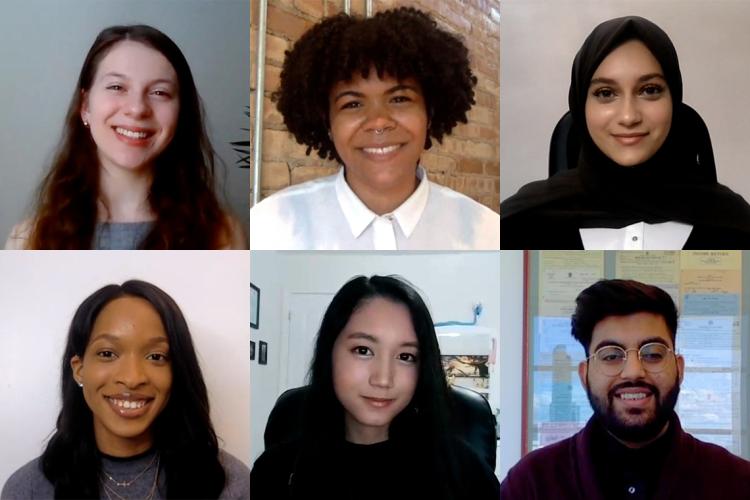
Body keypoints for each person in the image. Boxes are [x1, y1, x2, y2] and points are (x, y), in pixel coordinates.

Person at [250, 8, 499, 250]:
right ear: (327, 122)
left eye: (399, 99)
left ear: (429, 114)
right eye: (353, 104)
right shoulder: (267, 227)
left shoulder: (488, 233)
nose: (379, 121)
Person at [500, 16, 750, 249]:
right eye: (606, 93)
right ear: (580, 105)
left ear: (674, 99)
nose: (629, 116)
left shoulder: (735, 222)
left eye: (650, 90)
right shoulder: (519, 223)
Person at [250, 275, 500, 499]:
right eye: (363, 350)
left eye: (405, 356)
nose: (383, 379)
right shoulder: (276, 471)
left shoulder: (466, 474)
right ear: (329, 354)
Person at [500, 279, 750, 499]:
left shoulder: (737, 482)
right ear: (585, 375)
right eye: (611, 356)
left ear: (679, 368)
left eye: (652, 353)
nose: (633, 371)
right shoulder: (531, 483)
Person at [1, 280, 250, 499]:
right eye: (107, 353)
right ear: (79, 369)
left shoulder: (232, 484)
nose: (132, 378)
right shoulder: (28, 489)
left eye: (156, 356)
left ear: (177, 372)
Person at [4, 25, 246, 249]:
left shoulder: (222, 235)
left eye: (160, 92)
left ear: (181, 113)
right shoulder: (28, 239)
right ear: (85, 105)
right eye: (117, 87)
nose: (137, 108)